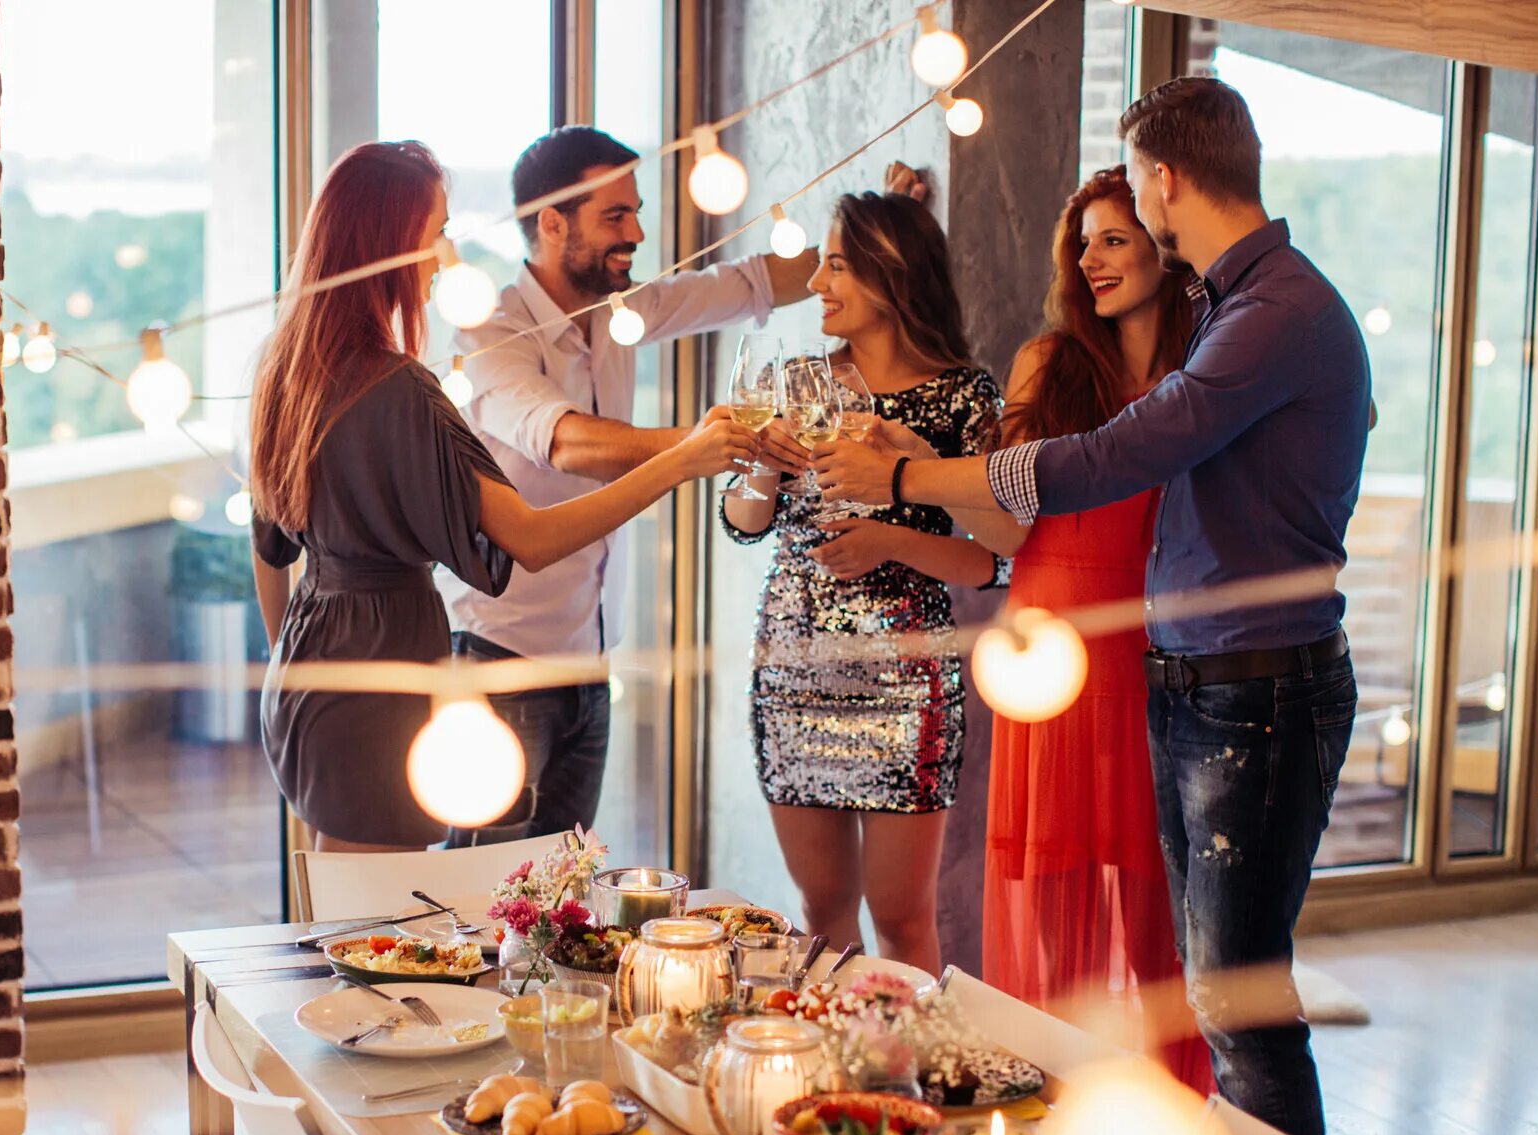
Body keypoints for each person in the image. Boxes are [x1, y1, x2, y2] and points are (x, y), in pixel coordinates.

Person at [813, 76, 1370, 1135]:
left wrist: (910, 481)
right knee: (1216, 986)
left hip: (1256, 687)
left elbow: (1121, 455)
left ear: (1164, 182)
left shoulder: (1268, 314)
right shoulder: (1242, 309)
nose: (1106, 253)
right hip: (1200, 679)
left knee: (1233, 999)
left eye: (1128, 222)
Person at [249, 140, 757, 852]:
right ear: (388, 246)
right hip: (385, 679)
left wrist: (290, 657)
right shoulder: (397, 388)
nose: (442, 259)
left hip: (310, 671)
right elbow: (530, 538)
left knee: (340, 909)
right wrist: (682, 458)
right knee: (381, 928)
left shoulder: (286, 373)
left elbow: (268, 553)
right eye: (435, 235)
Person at [448, 125, 818, 843]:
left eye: (636, 211)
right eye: (615, 217)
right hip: (501, 663)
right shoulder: (491, 334)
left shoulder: (616, 312)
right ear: (551, 223)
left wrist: (868, 246)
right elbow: (567, 441)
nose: (637, 233)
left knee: (558, 884)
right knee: (477, 888)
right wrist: (699, 444)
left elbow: (744, 286)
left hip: (591, 661)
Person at [721, 183, 1003, 978]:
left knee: (904, 919)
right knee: (819, 915)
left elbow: (999, 556)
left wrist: (892, 539)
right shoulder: (799, 382)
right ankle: (830, 1081)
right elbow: (743, 521)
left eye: (836, 266)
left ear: (891, 273)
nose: (815, 283)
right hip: (793, 672)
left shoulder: (965, 397)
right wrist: (763, 472)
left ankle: (909, 1081)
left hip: (908, 683)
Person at [984, 166, 1212, 1095]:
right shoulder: (1048, 362)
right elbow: (1000, 530)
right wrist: (927, 468)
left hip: (1157, 648)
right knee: (1056, 894)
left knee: (1163, 908)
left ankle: (1177, 1114)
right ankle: (1051, 1105)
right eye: (1082, 244)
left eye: (1113, 238)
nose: (1090, 259)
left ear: (1163, 241)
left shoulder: (1210, 365)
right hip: (1046, 643)